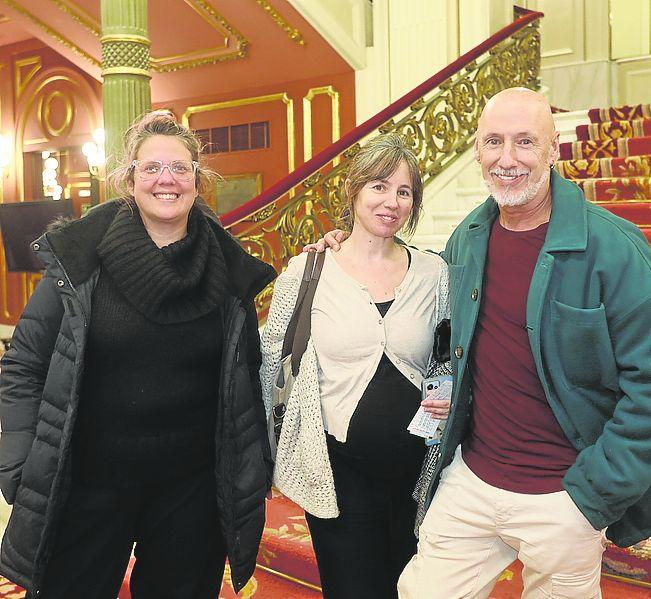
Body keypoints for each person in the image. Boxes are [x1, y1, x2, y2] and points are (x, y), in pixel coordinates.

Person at [314, 87, 651, 598]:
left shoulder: (615, 249)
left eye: (525, 142)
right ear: (477, 151)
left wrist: (594, 494)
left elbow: (646, 389)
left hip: (564, 496)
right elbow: (427, 307)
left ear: (553, 149)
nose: (508, 158)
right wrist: (348, 249)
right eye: (493, 142)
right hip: (470, 482)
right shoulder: (467, 238)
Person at [0, 110, 276, 599]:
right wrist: (17, 465)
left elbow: (245, 380)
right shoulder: (79, 260)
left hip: (190, 491)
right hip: (88, 483)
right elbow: (23, 366)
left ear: (197, 179)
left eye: (179, 167)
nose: (165, 179)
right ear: (129, 180)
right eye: (150, 168)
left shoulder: (230, 270)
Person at [260, 133, 451, 599]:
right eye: (379, 187)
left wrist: (444, 391)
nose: (391, 201)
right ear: (354, 191)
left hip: (418, 474)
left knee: (413, 588)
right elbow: (268, 363)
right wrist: (258, 456)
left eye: (404, 192)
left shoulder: (434, 272)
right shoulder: (307, 272)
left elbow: (449, 353)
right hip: (338, 473)